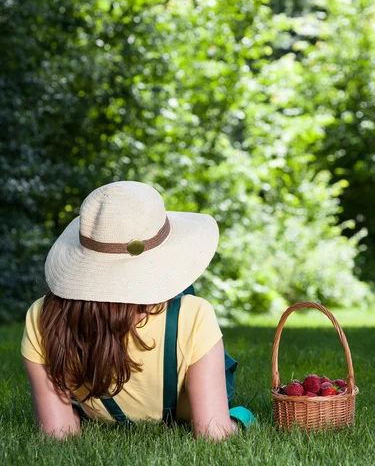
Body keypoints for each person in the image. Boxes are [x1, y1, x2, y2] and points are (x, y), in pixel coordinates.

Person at [21, 181, 255, 440]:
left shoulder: (42, 315)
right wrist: (241, 419)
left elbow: (58, 433)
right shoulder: (194, 315)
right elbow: (213, 433)